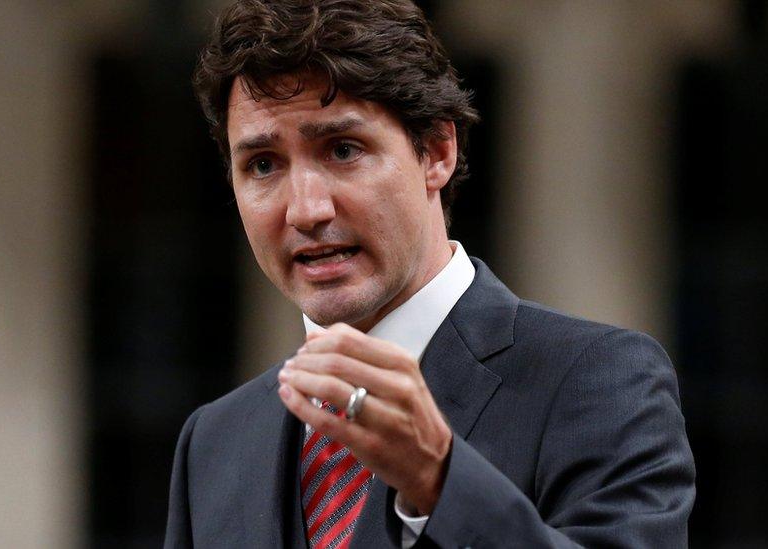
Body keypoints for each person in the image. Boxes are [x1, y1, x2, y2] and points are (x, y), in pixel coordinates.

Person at [165, 0, 695, 547]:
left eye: (343, 150)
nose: (304, 210)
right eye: (263, 165)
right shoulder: (214, 441)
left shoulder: (600, 381)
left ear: (437, 151)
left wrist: (440, 480)